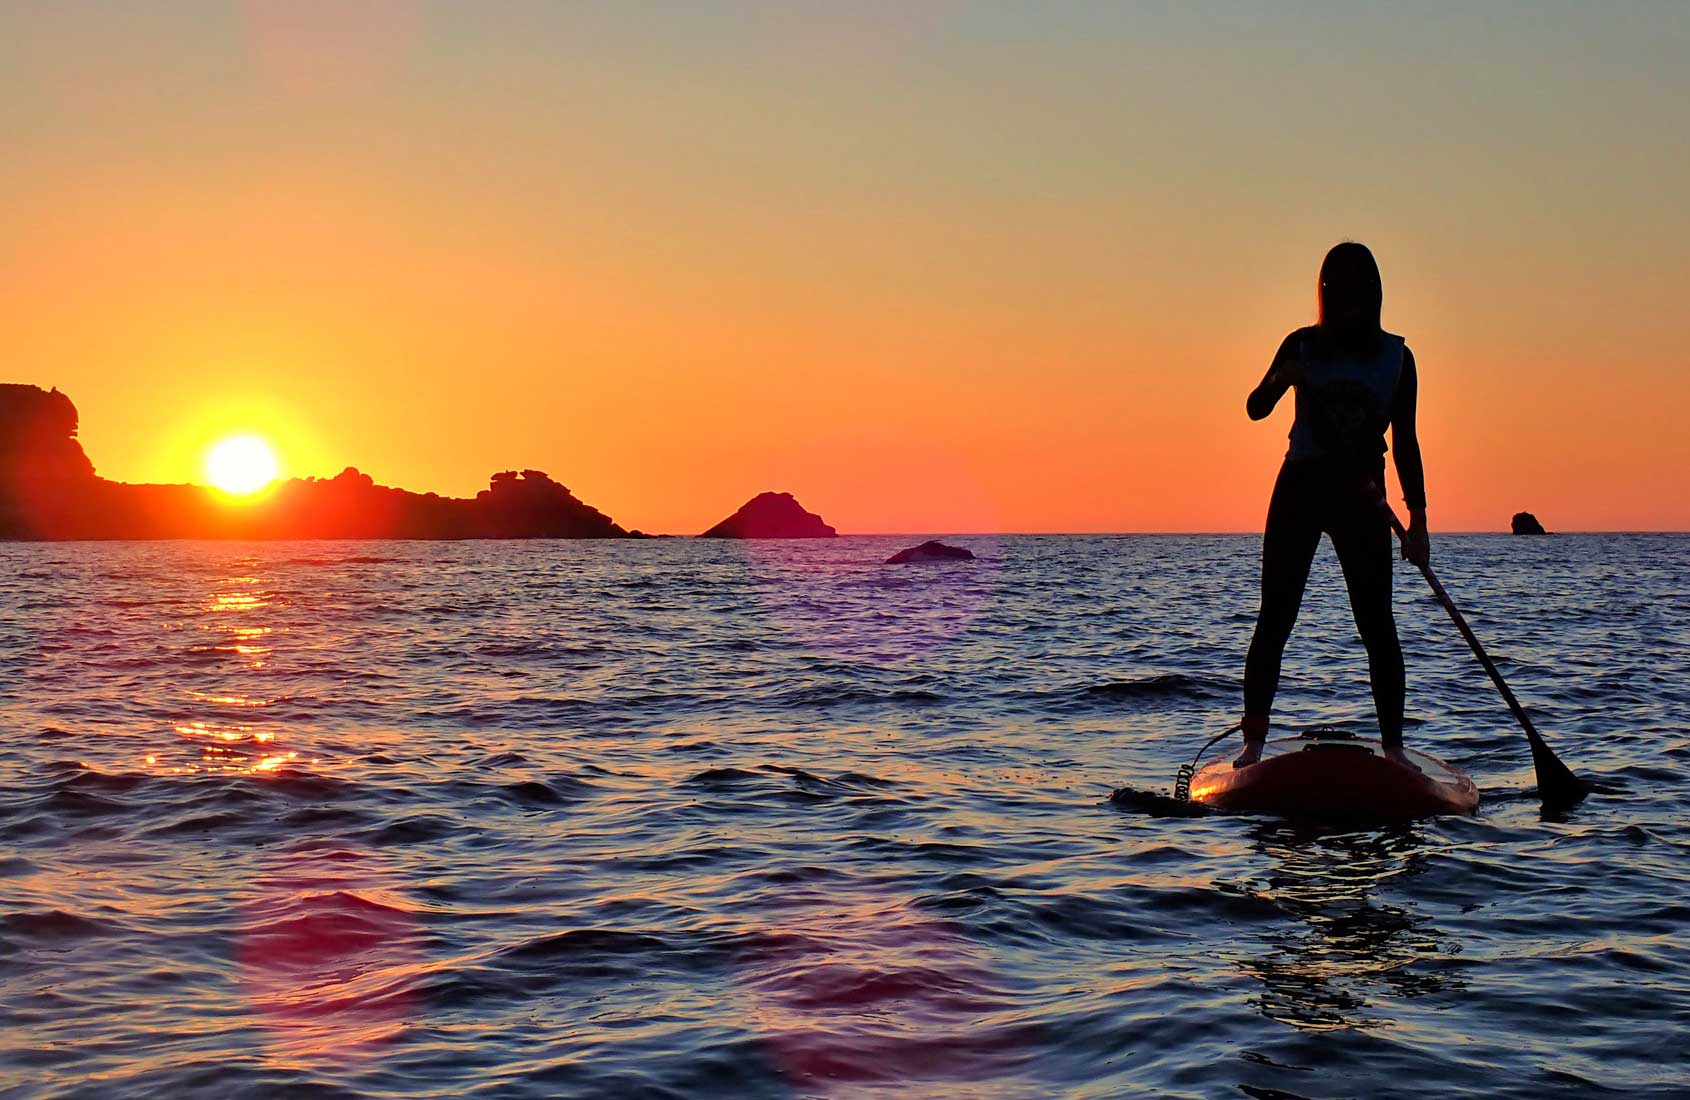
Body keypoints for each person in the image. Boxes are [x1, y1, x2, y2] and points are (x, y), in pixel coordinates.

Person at [1235, 242, 1429, 769]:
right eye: (1339, 295)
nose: (1350, 306)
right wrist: (1284, 377)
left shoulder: (1397, 359)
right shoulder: (1301, 344)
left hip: (1363, 494)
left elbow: (1406, 442)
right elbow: (1256, 408)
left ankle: (1394, 749)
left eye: (1360, 295)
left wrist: (1419, 521)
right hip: (1301, 487)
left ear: (1375, 297)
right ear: (1325, 296)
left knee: (1377, 625)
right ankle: (1252, 744)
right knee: (1275, 616)